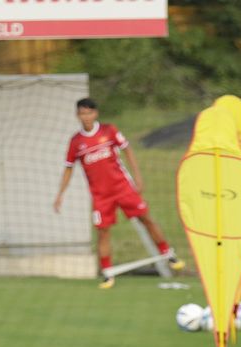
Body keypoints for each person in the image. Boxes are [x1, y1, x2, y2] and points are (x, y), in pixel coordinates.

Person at [54, 98, 185, 289]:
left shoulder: (109, 131)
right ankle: (107, 273)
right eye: (82, 113)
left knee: (145, 217)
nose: (86, 117)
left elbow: (128, 151)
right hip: (100, 196)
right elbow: (68, 168)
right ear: (77, 116)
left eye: (89, 112)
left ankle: (168, 253)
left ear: (95, 114)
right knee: (103, 232)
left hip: (123, 187)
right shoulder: (76, 142)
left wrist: (138, 178)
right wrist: (60, 194)